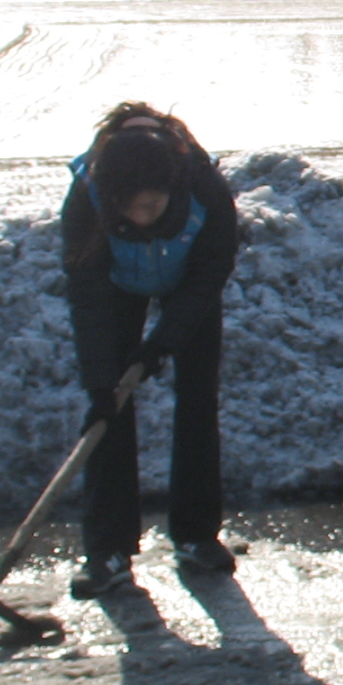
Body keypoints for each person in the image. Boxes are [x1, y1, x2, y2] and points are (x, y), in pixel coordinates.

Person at [59, 103, 241, 598]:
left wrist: (163, 342)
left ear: (172, 190)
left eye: (152, 207)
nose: (140, 217)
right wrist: (101, 377)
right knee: (107, 410)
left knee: (198, 400)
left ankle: (197, 534)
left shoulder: (204, 188)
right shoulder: (88, 198)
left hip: (189, 284)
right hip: (116, 285)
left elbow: (210, 272)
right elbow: (87, 293)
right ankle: (107, 549)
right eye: (130, 208)